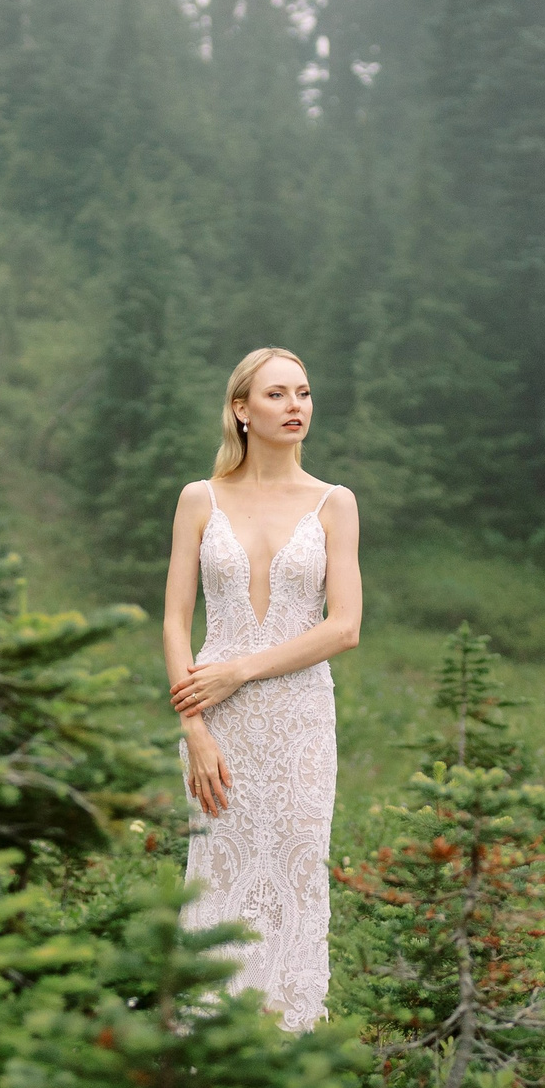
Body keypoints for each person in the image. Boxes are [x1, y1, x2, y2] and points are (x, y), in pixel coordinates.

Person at [162, 346, 361, 1030]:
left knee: (298, 869)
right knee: (218, 869)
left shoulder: (335, 504)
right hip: (216, 721)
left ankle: (290, 1033)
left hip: (300, 718)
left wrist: (240, 668)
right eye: (277, 395)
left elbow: (346, 627)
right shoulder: (199, 499)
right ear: (241, 409)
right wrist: (194, 728)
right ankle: (208, 1030)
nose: (296, 406)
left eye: (303, 392)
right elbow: (173, 620)